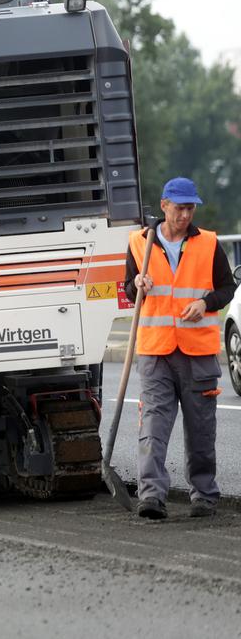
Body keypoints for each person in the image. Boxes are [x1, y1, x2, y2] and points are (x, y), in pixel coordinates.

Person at [123, 176, 235, 519]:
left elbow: (227, 288)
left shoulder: (209, 244)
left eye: (190, 208)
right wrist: (136, 283)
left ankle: (204, 496)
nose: (185, 215)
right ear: (164, 206)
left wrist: (206, 303)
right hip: (155, 352)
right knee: (153, 428)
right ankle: (152, 497)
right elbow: (129, 290)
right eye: (180, 208)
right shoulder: (138, 244)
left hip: (197, 354)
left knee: (201, 431)